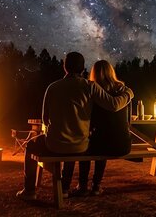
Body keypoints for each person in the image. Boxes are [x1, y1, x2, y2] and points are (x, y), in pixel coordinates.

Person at [16, 52, 133, 201]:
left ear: (64, 67)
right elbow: (113, 105)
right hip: (80, 145)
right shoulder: (90, 86)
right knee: (74, 143)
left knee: (31, 145)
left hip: (54, 144)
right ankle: (65, 189)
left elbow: (45, 119)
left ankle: (29, 191)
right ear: (83, 68)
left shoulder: (52, 87)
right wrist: (129, 93)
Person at [68, 59, 132, 196]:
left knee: (87, 145)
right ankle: (96, 186)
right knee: (102, 139)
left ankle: (83, 185)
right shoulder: (123, 90)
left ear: (94, 73)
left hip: (105, 144)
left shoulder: (94, 91)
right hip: (124, 144)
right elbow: (128, 120)